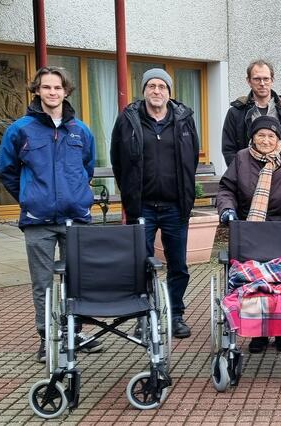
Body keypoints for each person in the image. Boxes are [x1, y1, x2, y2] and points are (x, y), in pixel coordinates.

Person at [0, 66, 102, 362]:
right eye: (46, 87)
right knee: (42, 283)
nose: (52, 93)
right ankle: (48, 338)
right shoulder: (20, 130)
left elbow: (87, 168)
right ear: (37, 91)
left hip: (75, 218)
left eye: (57, 88)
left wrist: (77, 196)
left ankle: (74, 332)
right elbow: (7, 170)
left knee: (77, 278)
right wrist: (30, 198)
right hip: (38, 221)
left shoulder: (80, 130)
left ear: (66, 91)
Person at [217, 115, 281, 353]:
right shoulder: (241, 159)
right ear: (252, 138)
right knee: (255, 283)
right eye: (260, 135)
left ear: (278, 139)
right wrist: (228, 210)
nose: (265, 140)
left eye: (270, 136)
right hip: (251, 230)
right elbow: (226, 189)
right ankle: (259, 333)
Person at [111, 68, 200, 339]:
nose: (157, 91)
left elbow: (191, 159)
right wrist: (129, 193)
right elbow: (118, 160)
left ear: (169, 92)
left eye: (162, 86)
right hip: (143, 206)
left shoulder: (184, 120)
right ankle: (144, 315)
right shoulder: (128, 120)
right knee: (141, 263)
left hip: (175, 206)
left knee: (178, 265)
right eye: (151, 86)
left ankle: (175, 314)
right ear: (144, 91)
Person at [221, 59, 281, 167]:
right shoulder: (236, 113)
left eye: (266, 79)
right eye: (257, 79)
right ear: (248, 81)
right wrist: (241, 174)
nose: (262, 83)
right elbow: (229, 150)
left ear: (272, 80)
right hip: (247, 177)